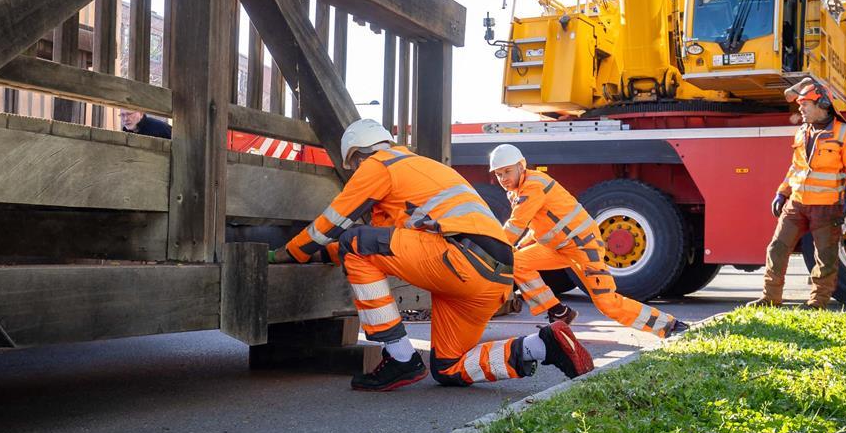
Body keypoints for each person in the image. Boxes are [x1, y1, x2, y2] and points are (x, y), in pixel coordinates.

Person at [269, 119, 595, 391]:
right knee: (448, 367)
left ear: (358, 157)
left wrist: (290, 253)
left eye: (353, 166)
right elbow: (385, 244)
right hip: (493, 278)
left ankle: (399, 357)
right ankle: (541, 345)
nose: (355, 171)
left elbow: (333, 225)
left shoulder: (380, 164)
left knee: (355, 240)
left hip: (462, 261)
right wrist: (326, 252)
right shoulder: (424, 171)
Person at [488, 144, 689, 339]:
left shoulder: (533, 185)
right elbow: (538, 225)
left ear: (521, 166)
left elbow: (516, 224)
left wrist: (491, 247)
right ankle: (559, 312)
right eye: (499, 174)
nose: (504, 178)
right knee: (517, 261)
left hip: (583, 247)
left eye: (507, 171)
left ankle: (670, 326)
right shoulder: (517, 190)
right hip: (558, 248)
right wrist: (519, 246)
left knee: (608, 304)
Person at [749, 77, 846, 308]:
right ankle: (770, 298)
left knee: (825, 256)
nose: (800, 108)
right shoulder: (802, 132)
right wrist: (782, 193)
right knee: (777, 247)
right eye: (799, 105)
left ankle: (817, 303)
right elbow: (796, 167)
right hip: (797, 203)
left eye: (805, 105)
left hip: (827, 206)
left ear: (822, 105)